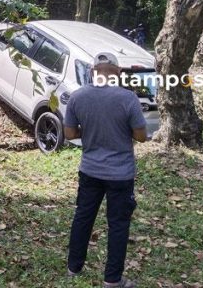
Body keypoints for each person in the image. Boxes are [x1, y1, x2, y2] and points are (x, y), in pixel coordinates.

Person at [64, 52, 147, 288]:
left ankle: (73, 267)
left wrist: (90, 130)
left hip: (90, 170)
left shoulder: (78, 97)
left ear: (93, 71)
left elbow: (70, 133)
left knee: (83, 217)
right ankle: (112, 280)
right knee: (118, 225)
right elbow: (141, 136)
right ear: (118, 73)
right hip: (120, 174)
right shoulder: (128, 99)